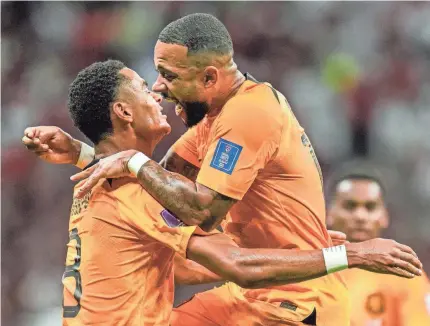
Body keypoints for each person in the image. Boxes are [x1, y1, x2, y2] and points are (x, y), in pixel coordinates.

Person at [22, 14, 423, 325]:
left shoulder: (246, 115)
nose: (160, 88)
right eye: (151, 81)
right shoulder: (202, 132)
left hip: (296, 302)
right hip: (255, 291)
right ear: (124, 112)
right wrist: (91, 155)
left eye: (168, 76)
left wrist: (345, 253)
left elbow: (187, 204)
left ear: (209, 77)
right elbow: (156, 185)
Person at [327, 163, 430, 326]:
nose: (360, 216)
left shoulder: (405, 273)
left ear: (384, 216)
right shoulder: (309, 266)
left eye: (370, 207)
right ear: (329, 213)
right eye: (350, 206)